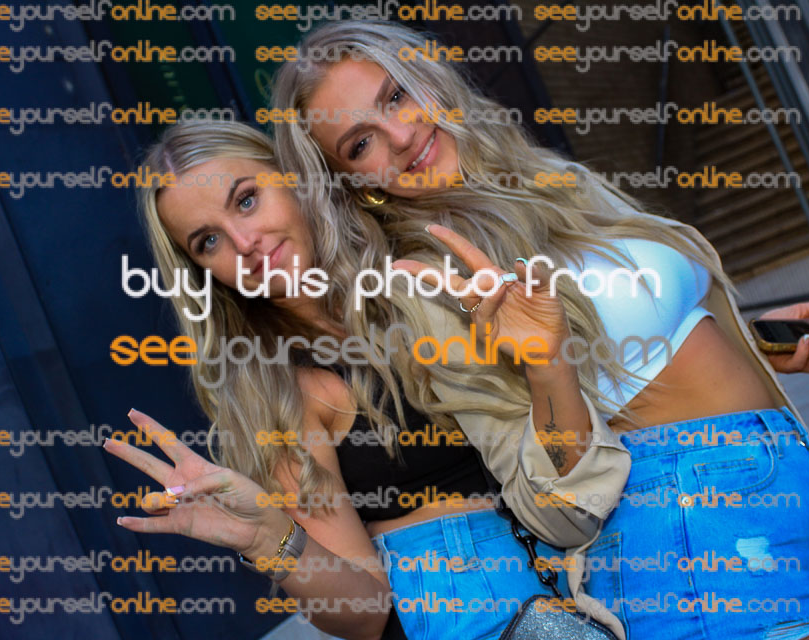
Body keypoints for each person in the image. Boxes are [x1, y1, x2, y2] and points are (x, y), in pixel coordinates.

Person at [269, 19, 809, 640]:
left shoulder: (546, 181)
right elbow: (555, 514)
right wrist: (547, 362)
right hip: (692, 531)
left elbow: (637, 346)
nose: (402, 136)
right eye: (361, 144)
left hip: (778, 509)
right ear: (351, 185)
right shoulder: (428, 284)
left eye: (396, 95)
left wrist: (748, 345)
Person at [103, 119, 619, 640]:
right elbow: (367, 614)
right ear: (202, 272)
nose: (245, 242)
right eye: (209, 240)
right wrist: (267, 540)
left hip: (590, 564)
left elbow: (565, 459)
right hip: (468, 609)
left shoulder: (422, 267)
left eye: (247, 199)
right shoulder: (282, 392)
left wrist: (548, 362)